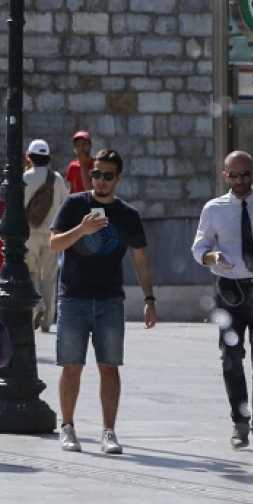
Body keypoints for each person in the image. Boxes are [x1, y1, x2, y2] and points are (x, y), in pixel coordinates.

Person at [49, 148, 157, 454]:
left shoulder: (127, 214)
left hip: (110, 300)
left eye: (108, 176)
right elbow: (54, 243)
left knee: (109, 366)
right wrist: (82, 229)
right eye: (96, 174)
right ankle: (67, 426)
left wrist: (149, 298)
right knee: (71, 366)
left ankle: (109, 431)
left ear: (118, 178)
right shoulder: (74, 204)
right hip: (73, 298)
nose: (101, 181)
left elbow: (140, 259)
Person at [190, 150, 253, 450]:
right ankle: (239, 422)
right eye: (233, 175)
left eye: (244, 174)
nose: (239, 181)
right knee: (231, 358)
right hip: (230, 289)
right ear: (225, 177)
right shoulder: (214, 209)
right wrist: (213, 256)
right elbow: (199, 249)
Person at [22, 139, 70, 332]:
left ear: (29, 157)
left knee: (31, 273)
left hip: (30, 233)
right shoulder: (56, 179)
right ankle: (48, 320)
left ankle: (37, 306)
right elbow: (64, 206)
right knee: (49, 277)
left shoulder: (24, 178)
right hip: (52, 234)